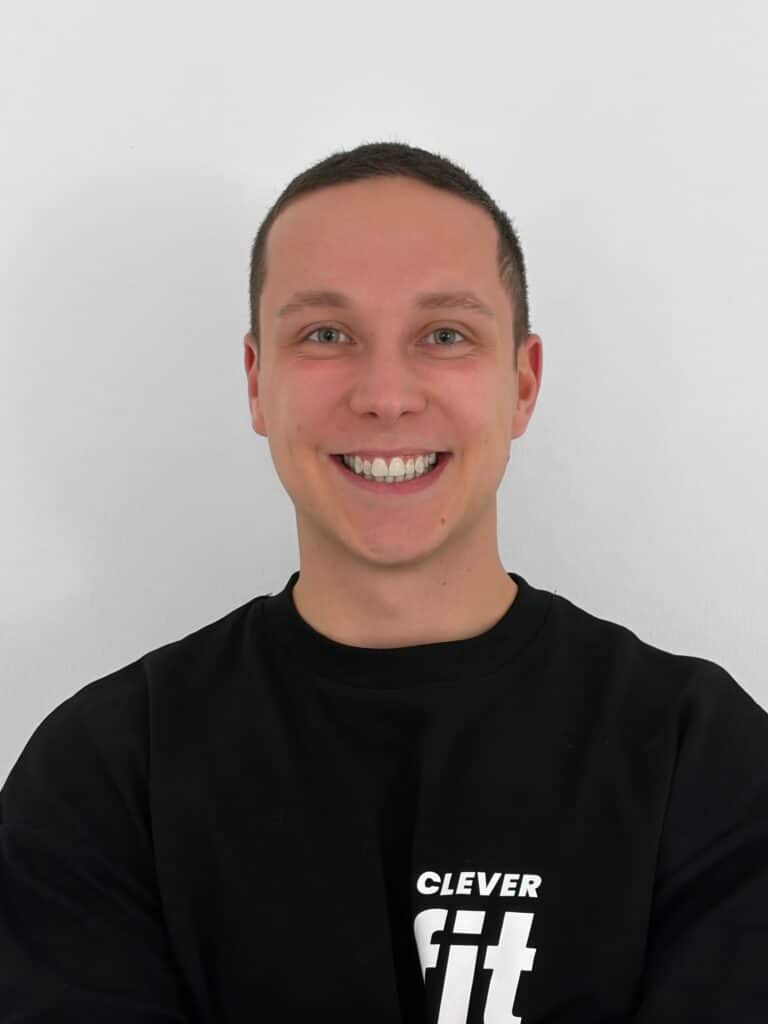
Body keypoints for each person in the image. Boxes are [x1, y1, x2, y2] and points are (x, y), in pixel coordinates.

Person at [1, 141, 766, 1023]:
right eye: (326, 335)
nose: (387, 395)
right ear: (257, 382)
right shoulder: (106, 772)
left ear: (522, 384)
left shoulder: (698, 757)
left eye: (445, 335)